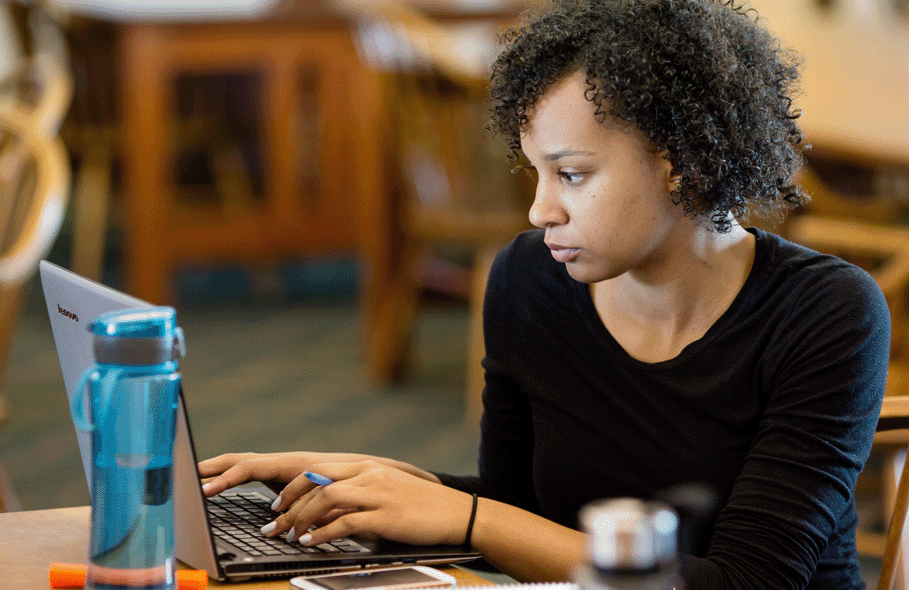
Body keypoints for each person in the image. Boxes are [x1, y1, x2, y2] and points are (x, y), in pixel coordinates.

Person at [198, 1, 891, 588]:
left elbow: (749, 581)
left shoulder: (827, 313)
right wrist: (370, 483)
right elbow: (516, 511)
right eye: (534, 173)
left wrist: (468, 517)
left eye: (571, 175)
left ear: (681, 163)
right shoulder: (529, 281)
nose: (538, 212)